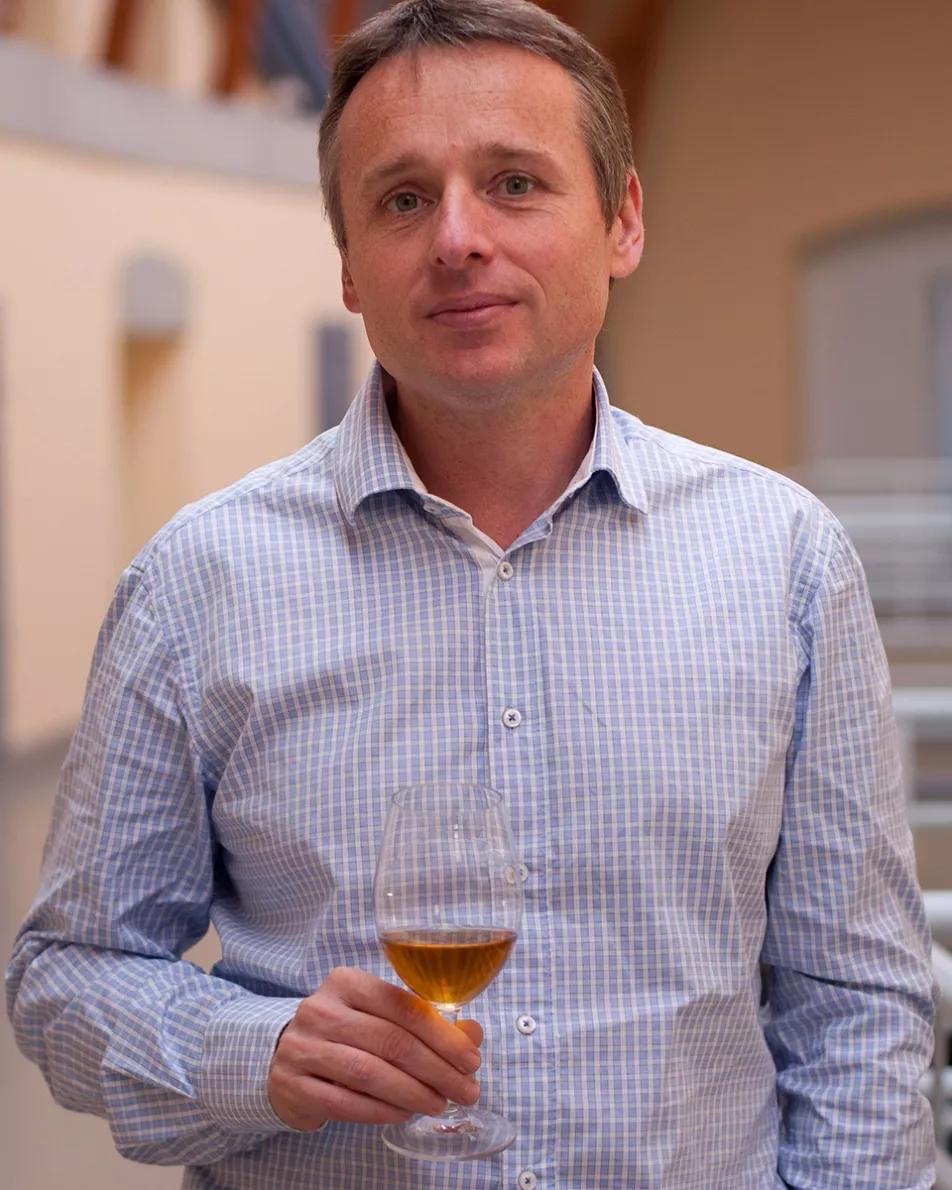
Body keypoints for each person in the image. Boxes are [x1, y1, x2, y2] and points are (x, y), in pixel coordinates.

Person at [6, 0, 937, 1186]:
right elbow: (67, 973)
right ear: (349, 265)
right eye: (402, 199)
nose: (456, 237)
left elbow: (857, 1001)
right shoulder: (200, 581)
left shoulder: (784, 561)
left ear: (622, 219)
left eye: (513, 183)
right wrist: (255, 1051)